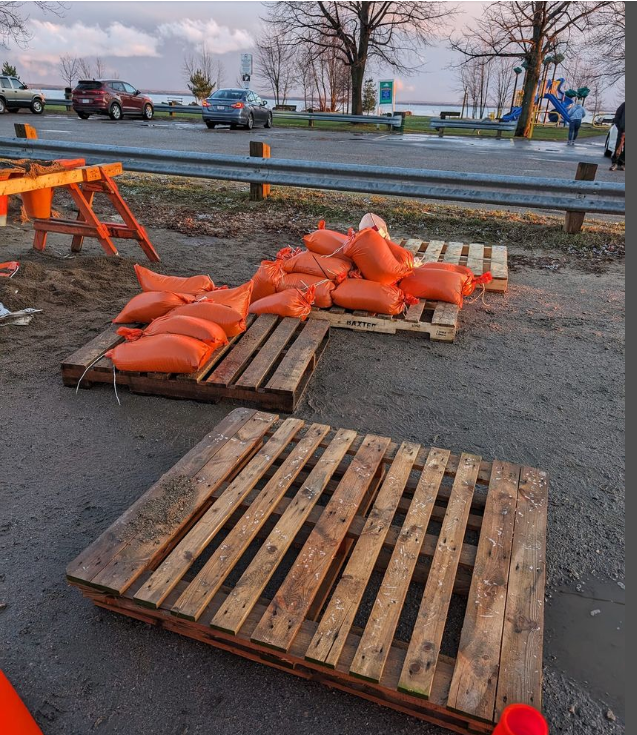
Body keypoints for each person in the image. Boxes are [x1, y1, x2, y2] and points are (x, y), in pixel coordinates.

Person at [610, 101, 625, 171]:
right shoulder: (624, 105)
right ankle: (615, 162)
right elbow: (618, 115)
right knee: (618, 145)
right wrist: (619, 126)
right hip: (622, 129)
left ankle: (623, 163)